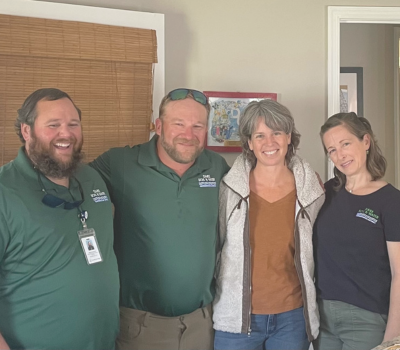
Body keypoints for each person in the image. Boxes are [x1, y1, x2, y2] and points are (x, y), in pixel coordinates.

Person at [90, 88, 230, 350]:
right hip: (140, 327)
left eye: (197, 126)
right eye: (178, 124)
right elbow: (68, 186)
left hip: (202, 325)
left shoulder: (216, 166)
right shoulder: (120, 163)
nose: (188, 135)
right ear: (158, 126)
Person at [0, 88, 119, 350]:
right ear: (26, 131)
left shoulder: (91, 178)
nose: (65, 134)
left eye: (73, 124)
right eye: (53, 125)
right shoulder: (4, 191)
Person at [213, 99, 325, 350]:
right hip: (237, 319)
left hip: (292, 317)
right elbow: (216, 247)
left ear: (288, 138)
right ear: (249, 143)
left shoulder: (312, 192)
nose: (269, 143)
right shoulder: (229, 190)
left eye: (276, 133)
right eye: (260, 135)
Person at [313, 112, 400, 349]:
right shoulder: (325, 193)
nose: (339, 155)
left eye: (345, 144)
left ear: (366, 142)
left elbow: (399, 274)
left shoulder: (391, 201)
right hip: (321, 318)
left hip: (367, 320)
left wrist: (392, 338)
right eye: (331, 149)